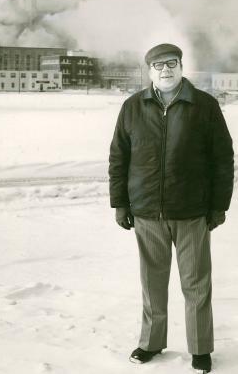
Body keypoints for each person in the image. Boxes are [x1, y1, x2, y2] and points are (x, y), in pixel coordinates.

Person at [108, 43, 234, 373]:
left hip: (192, 212)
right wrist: (120, 203)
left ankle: (200, 348)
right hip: (148, 213)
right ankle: (151, 343)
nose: (166, 70)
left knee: (196, 285)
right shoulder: (132, 107)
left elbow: (223, 159)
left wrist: (218, 205)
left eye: (172, 64)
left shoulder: (204, 106)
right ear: (149, 71)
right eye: (158, 65)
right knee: (152, 283)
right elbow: (119, 158)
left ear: (181, 67)